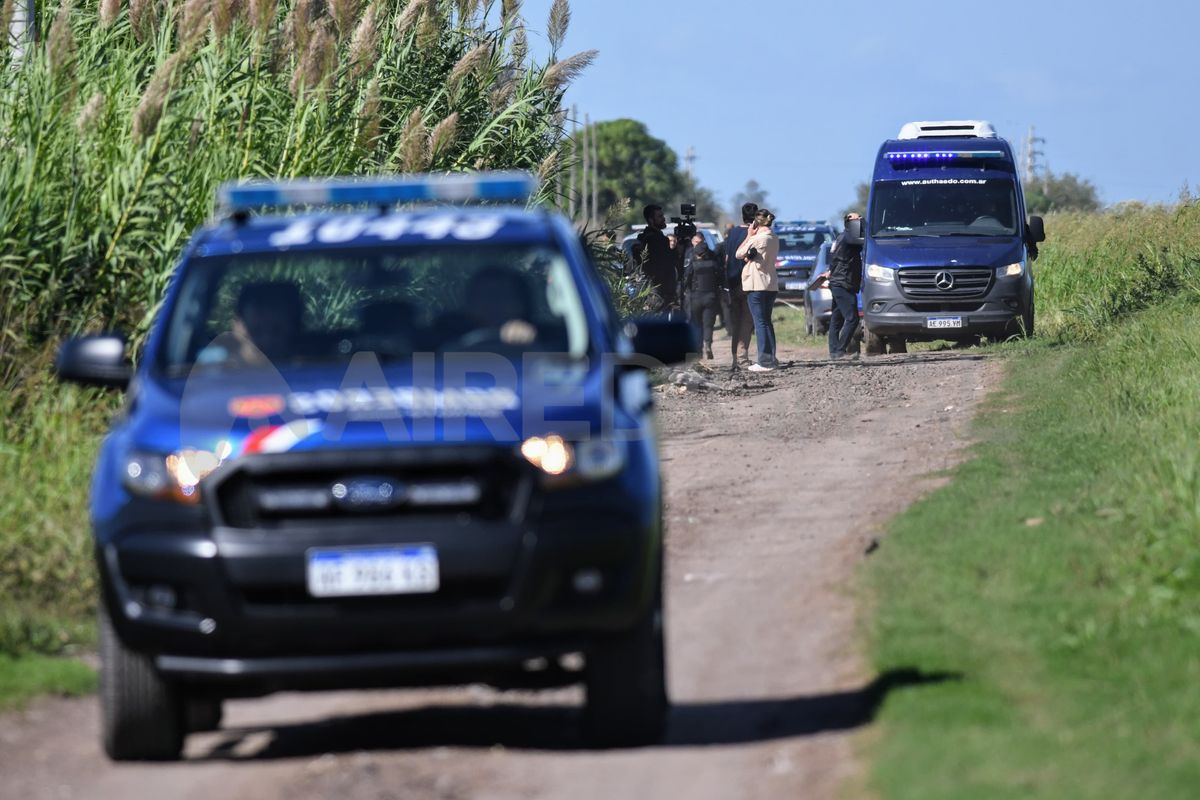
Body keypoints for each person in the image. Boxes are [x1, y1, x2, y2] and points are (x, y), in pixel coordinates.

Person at [197, 281, 304, 367]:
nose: (267, 340)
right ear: (236, 326)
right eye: (256, 331)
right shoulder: (209, 370)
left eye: (277, 331)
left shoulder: (312, 370)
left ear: (293, 330)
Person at [736, 208, 780, 372]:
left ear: (756, 222)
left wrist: (749, 235)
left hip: (756, 284)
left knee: (759, 322)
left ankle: (764, 361)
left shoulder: (758, 238)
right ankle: (771, 358)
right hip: (770, 283)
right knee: (767, 321)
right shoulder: (774, 237)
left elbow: (738, 253)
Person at [631, 205, 687, 314]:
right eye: (660, 216)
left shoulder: (652, 237)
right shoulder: (655, 239)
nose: (663, 218)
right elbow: (663, 263)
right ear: (651, 220)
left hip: (657, 291)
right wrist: (677, 251)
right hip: (658, 293)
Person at [723, 202, 759, 368]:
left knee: (736, 320)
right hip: (747, 280)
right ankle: (742, 355)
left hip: (732, 280)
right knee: (747, 319)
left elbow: (727, 257)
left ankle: (734, 357)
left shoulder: (732, 233)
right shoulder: (753, 234)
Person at [827, 212, 864, 359]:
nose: (860, 220)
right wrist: (864, 222)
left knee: (837, 319)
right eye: (857, 219)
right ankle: (840, 350)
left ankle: (835, 351)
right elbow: (865, 240)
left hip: (840, 282)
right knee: (852, 318)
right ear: (850, 223)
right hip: (843, 283)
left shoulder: (842, 237)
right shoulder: (848, 236)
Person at [682, 232, 723, 359]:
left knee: (697, 324)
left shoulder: (693, 265)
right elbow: (720, 279)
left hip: (695, 297)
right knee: (708, 324)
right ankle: (708, 344)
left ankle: (698, 350)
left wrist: (685, 291)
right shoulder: (713, 264)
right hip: (710, 297)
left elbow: (686, 279)